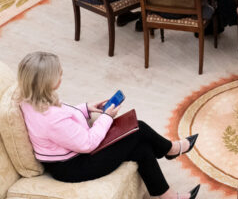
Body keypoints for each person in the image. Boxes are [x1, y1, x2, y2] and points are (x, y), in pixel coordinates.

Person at [18, 51, 200, 199]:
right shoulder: (50, 118)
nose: (61, 75)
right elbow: (87, 143)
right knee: (139, 129)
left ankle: (167, 195)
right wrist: (106, 117)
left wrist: (86, 108)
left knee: (142, 147)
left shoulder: (32, 99)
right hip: (74, 167)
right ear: (45, 82)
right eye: (58, 73)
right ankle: (171, 149)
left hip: (69, 158)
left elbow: (64, 119)